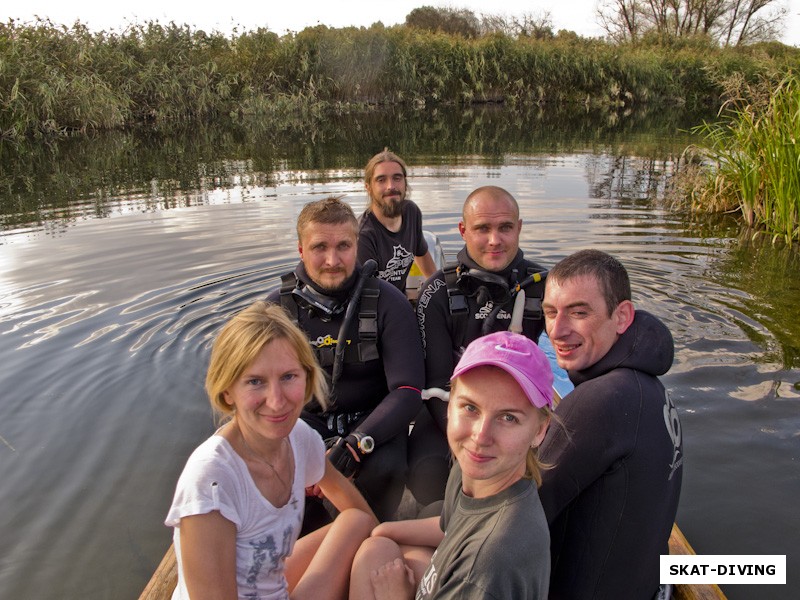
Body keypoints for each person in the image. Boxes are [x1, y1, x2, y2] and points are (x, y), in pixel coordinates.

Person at [165, 301, 377, 600]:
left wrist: (383, 549)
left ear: (306, 378)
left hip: (273, 585)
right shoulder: (212, 480)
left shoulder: (299, 437)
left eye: (288, 377)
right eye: (255, 381)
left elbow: (353, 506)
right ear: (228, 391)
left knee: (360, 522)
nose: (277, 402)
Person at [349, 331, 553, 600]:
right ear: (449, 406)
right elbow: (452, 526)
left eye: (508, 417)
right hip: (443, 575)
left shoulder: (485, 569)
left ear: (539, 431)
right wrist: (383, 529)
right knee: (376, 547)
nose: (480, 437)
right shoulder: (475, 470)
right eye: (470, 408)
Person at [266, 196, 424, 525]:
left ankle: (367, 537)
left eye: (344, 246)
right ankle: (306, 540)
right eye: (319, 247)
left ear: (357, 246)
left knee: (386, 468)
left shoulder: (388, 303)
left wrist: (354, 446)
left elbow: (407, 389)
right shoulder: (276, 310)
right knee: (281, 471)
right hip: (303, 420)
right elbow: (255, 389)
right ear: (300, 250)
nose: (332, 260)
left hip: (372, 421)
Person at [539, 249, 683, 599]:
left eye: (579, 312)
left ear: (622, 317)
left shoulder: (599, 401)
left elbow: (517, 517)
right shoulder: (649, 386)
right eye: (550, 312)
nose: (557, 330)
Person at [409, 185, 548, 505]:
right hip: (451, 410)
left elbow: (576, 349)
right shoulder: (438, 291)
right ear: (463, 231)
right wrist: (470, 443)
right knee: (427, 478)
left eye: (505, 228)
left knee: (547, 483)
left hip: (518, 413)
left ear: (519, 228)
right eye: (482, 228)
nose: (494, 240)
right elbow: (434, 383)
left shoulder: (543, 286)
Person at [357, 149, 436, 293]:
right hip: (376, 310)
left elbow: (422, 254)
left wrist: (441, 290)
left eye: (397, 178)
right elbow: (366, 297)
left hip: (401, 302)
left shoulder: (412, 212)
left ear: (405, 183)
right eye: (381, 180)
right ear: (368, 188)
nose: (391, 186)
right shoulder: (363, 236)